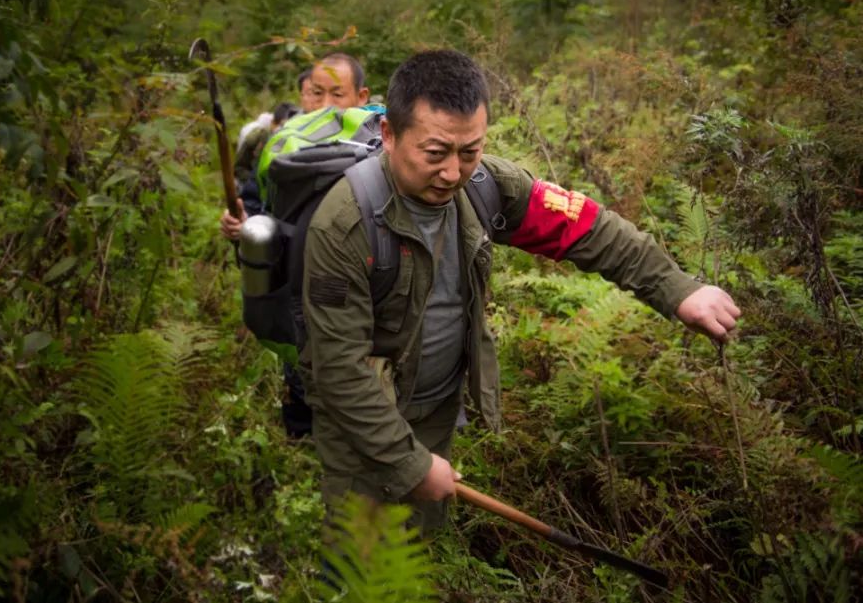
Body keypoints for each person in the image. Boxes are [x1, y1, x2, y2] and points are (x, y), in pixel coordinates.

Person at [300, 49, 741, 530]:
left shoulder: (486, 184)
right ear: (389, 135)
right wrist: (411, 463)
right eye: (435, 154)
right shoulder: (344, 224)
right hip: (363, 415)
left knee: (415, 547)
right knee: (360, 557)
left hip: (436, 408)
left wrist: (678, 289)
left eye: (469, 151)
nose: (452, 173)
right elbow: (340, 372)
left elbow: (584, 227)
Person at [221, 52, 371, 241]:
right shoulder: (283, 142)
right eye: (317, 93)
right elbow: (255, 201)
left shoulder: (376, 144)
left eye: (337, 94)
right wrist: (243, 220)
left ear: (362, 97)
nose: (325, 105)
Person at [235, 101, 300, 216]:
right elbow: (238, 167)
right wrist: (257, 181)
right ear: (273, 123)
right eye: (282, 126)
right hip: (249, 188)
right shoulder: (256, 137)